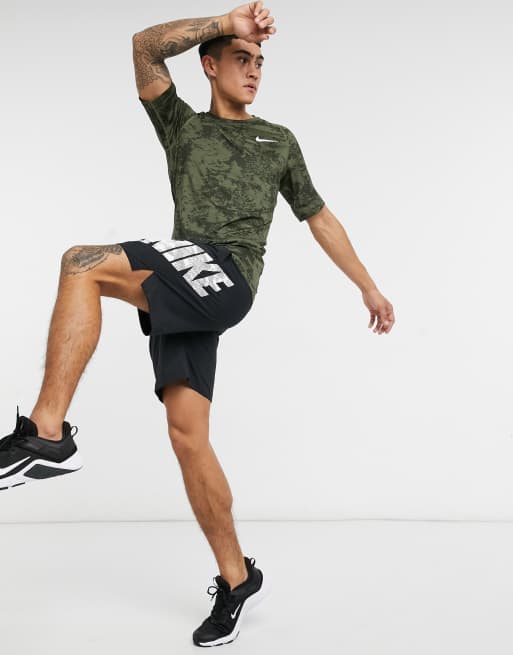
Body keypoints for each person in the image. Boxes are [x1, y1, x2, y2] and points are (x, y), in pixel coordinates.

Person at [0, 1, 395, 647]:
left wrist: (367, 285)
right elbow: (144, 45)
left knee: (80, 262)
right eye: (241, 58)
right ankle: (237, 578)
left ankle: (47, 432)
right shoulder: (182, 127)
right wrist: (223, 23)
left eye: (259, 62)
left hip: (227, 276)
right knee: (188, 437)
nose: (254, 70)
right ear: (209, 66)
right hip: (184, 282)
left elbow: (318, 216)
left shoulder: (278, 140)